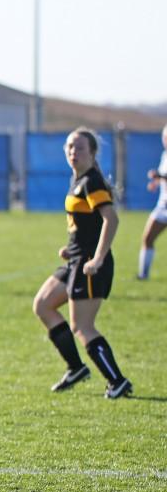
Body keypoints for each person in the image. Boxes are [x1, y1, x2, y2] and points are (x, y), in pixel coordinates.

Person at [32, 127, 132, 398]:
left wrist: (98, 258)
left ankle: (117, 381)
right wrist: (71, 248)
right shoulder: (77, 180)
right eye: (69, 147)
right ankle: (76, 368)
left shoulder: (92, 182)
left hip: (90, 264)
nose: (73, 152)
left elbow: (111, 219)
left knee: (82, 327)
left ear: (92, 152)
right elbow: (87, 223)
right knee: (43, 305)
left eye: (80, 148)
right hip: (76, 259)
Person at [137, 123, 167, 280]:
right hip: (163, 206)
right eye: (164, 137)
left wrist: (159, 177)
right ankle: (143, 275)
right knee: (147, 238)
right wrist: (156, 182)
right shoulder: (165, 155)